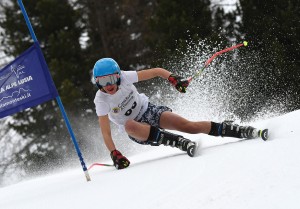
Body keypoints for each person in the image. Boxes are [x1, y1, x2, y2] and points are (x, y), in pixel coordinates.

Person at [93, 58, 259, 170]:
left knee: (188, 126)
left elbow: (156, 71)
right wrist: (114, 153)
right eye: (102, 82)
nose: (108, 85)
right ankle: (179, 142)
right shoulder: (101, 100)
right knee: (128, 124)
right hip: (137, 130)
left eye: (111, 79)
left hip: (149, 111)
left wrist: (172, 79)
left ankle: (232, 129)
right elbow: (106, 132)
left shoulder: (125, 77)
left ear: (118, 76)